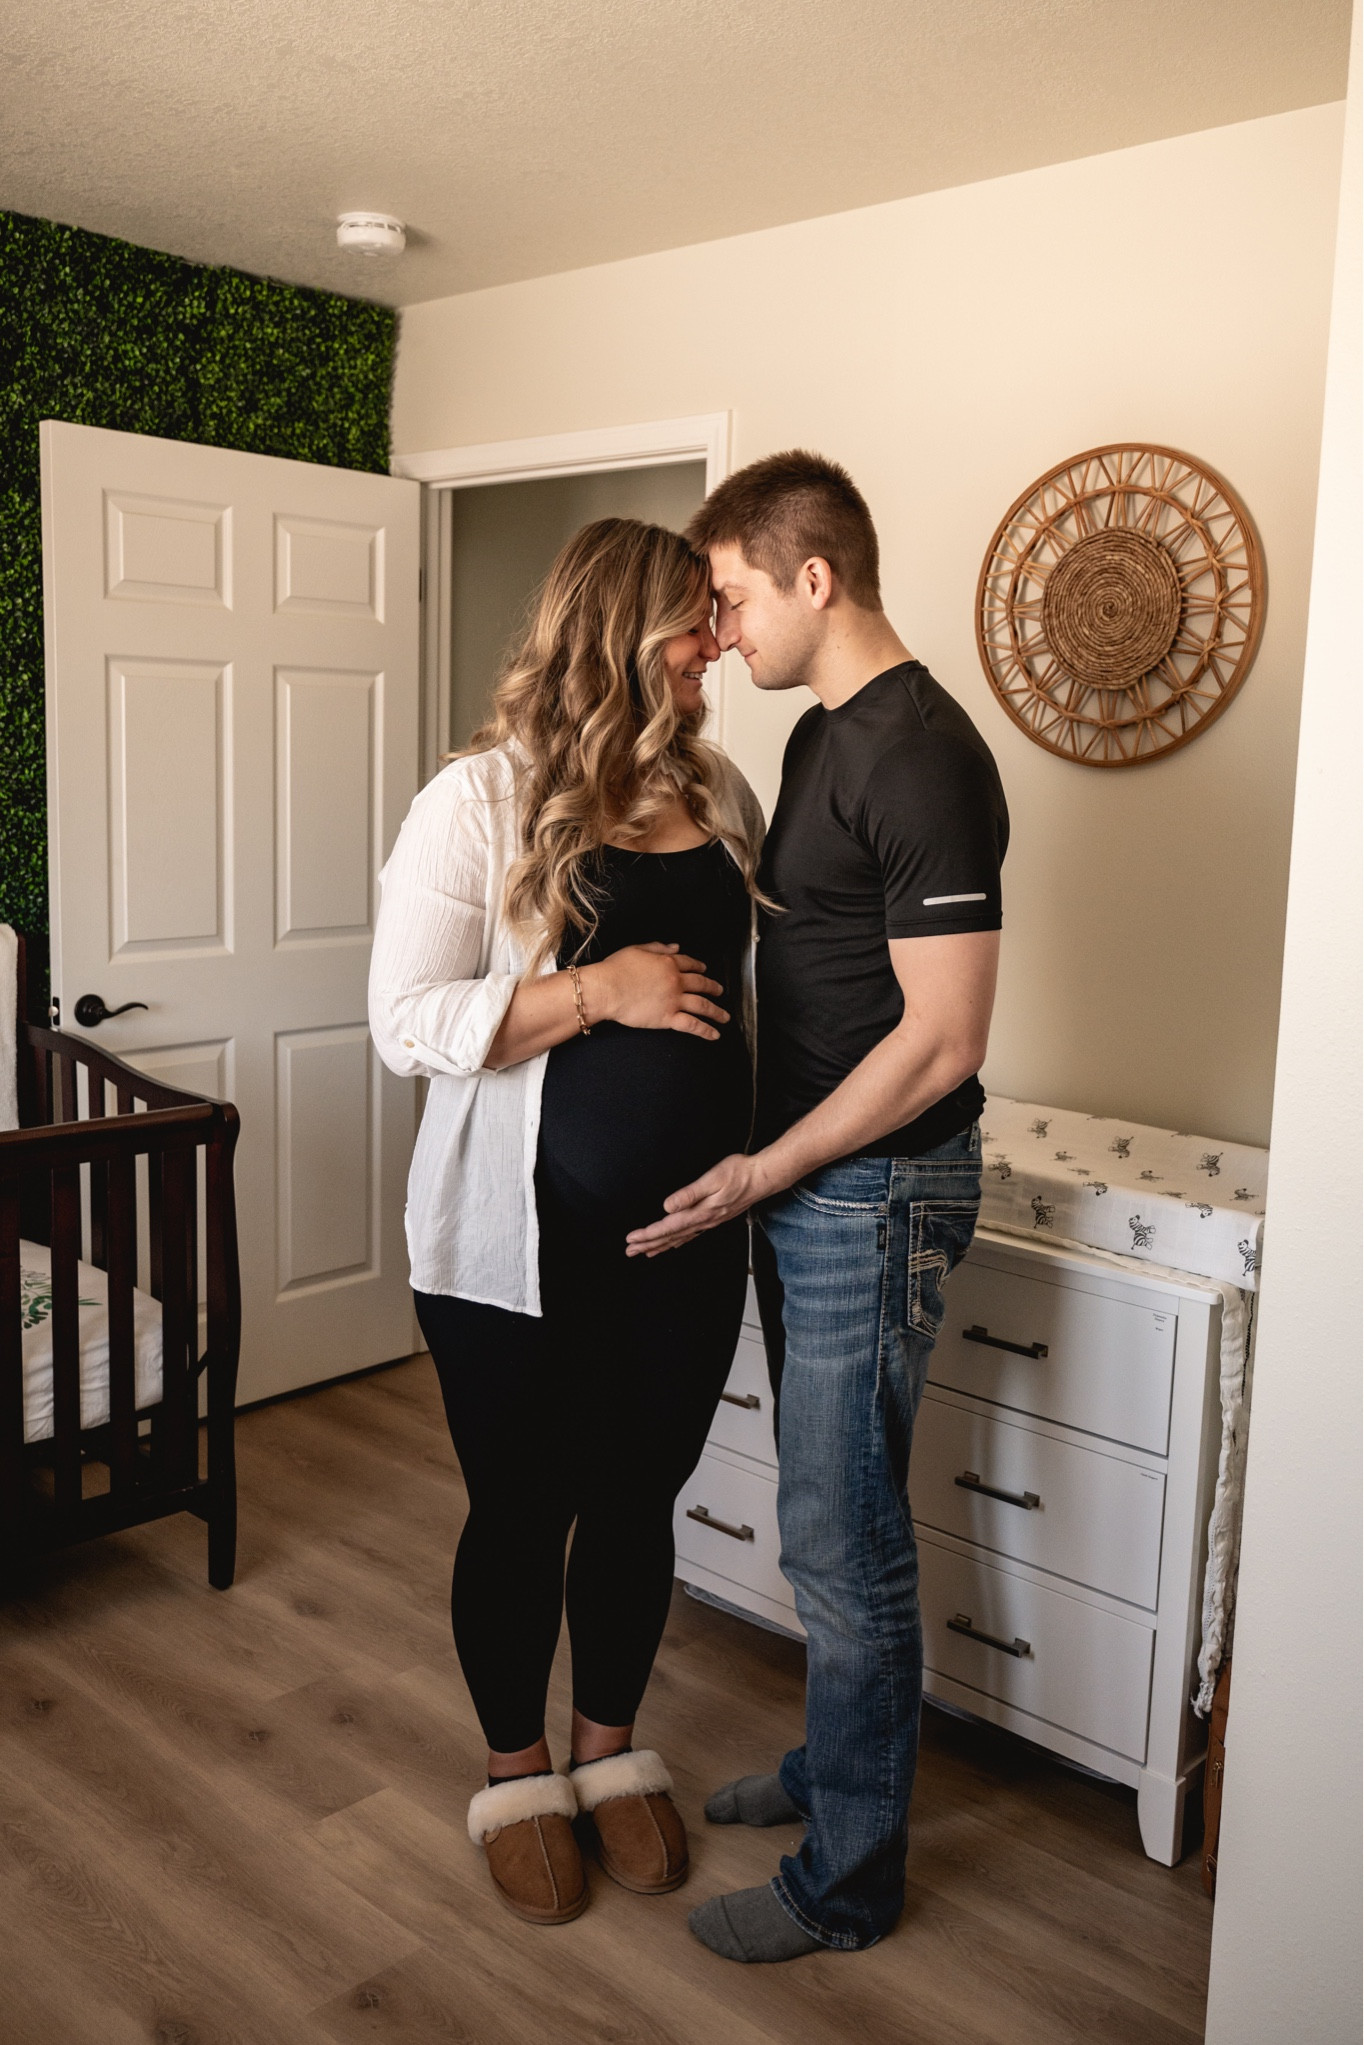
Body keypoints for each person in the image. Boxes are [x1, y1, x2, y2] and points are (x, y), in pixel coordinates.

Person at [626, 451, 1010, 1963]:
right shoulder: (828, 739)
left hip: (872, 1193)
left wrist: (769, 1168)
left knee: (848, 1545)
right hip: (821, 1193)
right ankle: (837, 1766)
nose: (718, 633)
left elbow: (945, 1039)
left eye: (726, 598)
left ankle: (848, 1873)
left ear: (812, 578)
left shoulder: (919, 753)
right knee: (825, 1512)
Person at [369, 518, 766, 1927]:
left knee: (639, 1503)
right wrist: (604, 993)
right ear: (619, 629)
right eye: (692, 629)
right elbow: (403, 1019)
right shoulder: (477, 801)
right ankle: (517, 1769)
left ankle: (606, 1747)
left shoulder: (720, 794)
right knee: (526, 1510)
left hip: (689, 1245)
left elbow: (743, 1004)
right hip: (513, 1257)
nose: (714, 651)